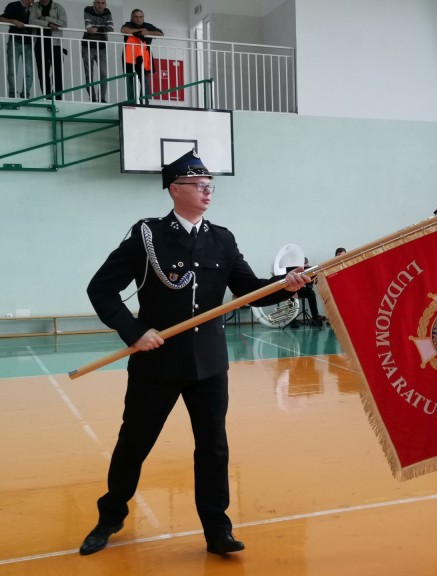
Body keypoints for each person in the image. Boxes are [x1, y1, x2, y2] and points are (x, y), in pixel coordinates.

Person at [79, 149, 310, 556]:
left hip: (209, 364)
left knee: (214, 448)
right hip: (156, 361)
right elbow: (101, 289)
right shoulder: (147, 235)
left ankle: (217, 530)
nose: (208, 192)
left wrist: (284, 282)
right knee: (134, 443)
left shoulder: (222, 238)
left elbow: (247, 290)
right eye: (199, 185)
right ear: (175, 189)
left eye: (210, 186)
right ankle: (110, 515)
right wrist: (134, 332)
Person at [120, 8, 163, 104]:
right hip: (129, 56)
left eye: (141, 17)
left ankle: (144, 100)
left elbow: (161, 33)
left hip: (144, 56)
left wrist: (148, 32)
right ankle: (131, 101)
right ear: (132, 18)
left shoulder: (148, 26)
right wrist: (139, 31)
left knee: (144, 79)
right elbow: (123, 30)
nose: (138, 19)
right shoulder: (129, 24)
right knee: (129, 79)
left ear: (143, 17)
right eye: (136, 17)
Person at [29, 0, 66, 99]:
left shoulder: (58, 7)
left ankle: (58, 98)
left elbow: (63, 24)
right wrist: (49, 24)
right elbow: (31, 21)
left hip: (55, 44)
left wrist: (46, 18)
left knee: (58, 72)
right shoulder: (35, 6)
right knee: (42, 72)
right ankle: (48, 97)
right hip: (39, 44)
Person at [1, 0, 34, 98]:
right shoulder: (13, 5)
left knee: (29, 72)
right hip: (15, 42)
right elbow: (1, 18)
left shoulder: (34, 8)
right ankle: (12, 94)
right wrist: (14, 21)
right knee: (12, 71)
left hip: (29, 43)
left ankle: (25, 94)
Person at [81, 0, 113, 103]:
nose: (100, 5)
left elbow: (111, 28)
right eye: (98, 2)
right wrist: (101, 28)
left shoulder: (107, 12)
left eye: (103, 3)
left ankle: (102, 98)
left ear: (105, 4)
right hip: (88, 46)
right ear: (94, 3)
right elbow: (88, 27)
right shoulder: (88, 9)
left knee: (104, 74)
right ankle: (93, 98)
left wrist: (97, 29)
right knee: (89, 74)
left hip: (102, 47)